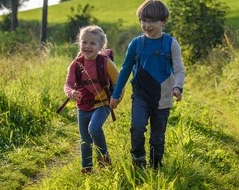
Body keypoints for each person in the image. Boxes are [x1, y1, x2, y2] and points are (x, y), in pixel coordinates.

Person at [110, 0, 185, 169]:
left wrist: (177, 87)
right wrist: (116, 94)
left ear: (163, 21)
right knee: (136, 128)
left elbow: (179, 69)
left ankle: (156, 165)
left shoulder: (170, 43)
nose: (147, 25)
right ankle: (138, 163)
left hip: (163, 96)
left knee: (157, 136)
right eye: (143, 21)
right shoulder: (136, 44)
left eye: (151, 21)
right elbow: (125, 69)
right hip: (141, 94)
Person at [64, 25, 122, 174]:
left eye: (92, 43)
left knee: (94, 128)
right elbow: (68, 84)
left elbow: (119, 82)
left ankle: (104, 159)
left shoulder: (106, 62)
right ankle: (87, 169)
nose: (87, 46)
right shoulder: (76, 64)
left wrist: (116, 98)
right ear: (79, 43)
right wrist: (71, 93)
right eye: (84, 42)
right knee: (85, 141)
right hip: (82, 107)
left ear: (100, 46)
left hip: (102, 104)